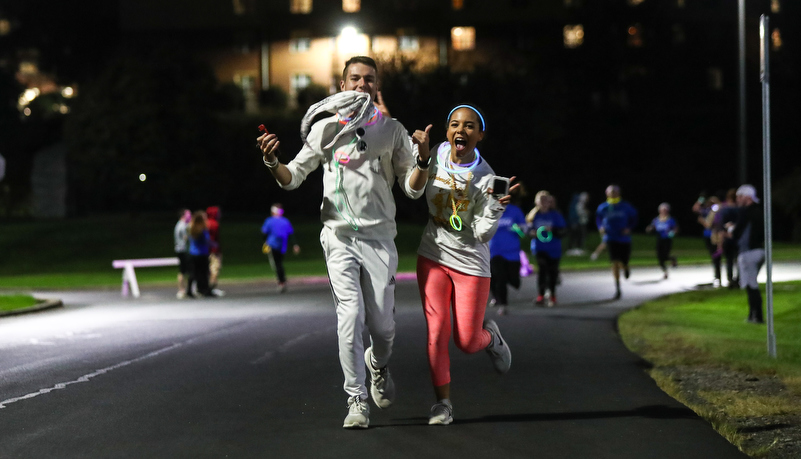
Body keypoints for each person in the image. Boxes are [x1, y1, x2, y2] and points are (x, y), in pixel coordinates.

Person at [256, 56, 429, 429]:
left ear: (376, 87)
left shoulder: (392, 129)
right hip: (338, 238)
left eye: (369, 80)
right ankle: (356, 399)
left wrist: (424, 161)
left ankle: (378, 365)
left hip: (380, 239)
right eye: (355, 79)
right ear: (342, 85)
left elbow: (412, 191)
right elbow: (292, 178)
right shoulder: (325, 129)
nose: (362, 85)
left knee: (383, 329)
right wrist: (272, 161)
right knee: (350, 317)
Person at [413, 103, 514, 426]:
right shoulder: (437, 154)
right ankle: (443, 405)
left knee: (467, 341)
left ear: (480, 135)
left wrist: (496, 207)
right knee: (436, 331)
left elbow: (483, 234)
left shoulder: (486, 177)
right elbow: (414, 184)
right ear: (447, 132)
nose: (461, 130)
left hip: (470, 261)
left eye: (470, 126)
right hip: (432, 254)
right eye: (455, 124)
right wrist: (421, 154)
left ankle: (492, 338)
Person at [488, 183, 528, 314]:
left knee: (514, 281)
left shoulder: (515, 211)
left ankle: (511, 283)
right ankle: (503, 305)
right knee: (499, 277)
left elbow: (524, 230)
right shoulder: (490, 210)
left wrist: (518, 229)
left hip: (512, 251)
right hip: (495, 251)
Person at [728, 184, 765, 324]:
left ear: (747, 197)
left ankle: (757, 317)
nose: (737, 199)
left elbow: (737, 233)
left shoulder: (747, 212)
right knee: (751, 284)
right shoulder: (759, 211)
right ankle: (752, 315)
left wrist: (730, 230)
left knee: (751, 286)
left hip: (749, 252)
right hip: (760, 251)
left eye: (739, 196)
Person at [595, 184, 638, 299]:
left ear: (619, 193)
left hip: (624, 238)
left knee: (623, 261)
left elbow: (634, 218)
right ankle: (618, 288)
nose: (613, 194)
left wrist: (629, 228)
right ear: (607, 194)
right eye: (610, 192)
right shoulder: (603, 207)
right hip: (610, 238)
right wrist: (600, 227)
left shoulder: (625, 206)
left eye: (615, 192)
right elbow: (598, 218)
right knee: (614, 262)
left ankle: (626, 267)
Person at [526, 191, 567, 307]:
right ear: (536, 202)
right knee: (543, 270)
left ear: (550, 202)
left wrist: (552, 230)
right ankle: (541, 295)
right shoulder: (533, 216)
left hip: (554, 248)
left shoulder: (555, 215)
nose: (544, 203)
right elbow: (527, 230)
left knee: (552, 272)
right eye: (541, 200)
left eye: (546, 200)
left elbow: (563, 232)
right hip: (540, 248)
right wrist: (532, 233)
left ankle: (553, 295)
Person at [261, 203, 300, 293]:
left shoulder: (269, 221)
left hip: (273, 245)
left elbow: (264, 233)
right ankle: (282, 280)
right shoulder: (285, 221)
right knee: (279, 263)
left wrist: (265, 242)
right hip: (283, 246)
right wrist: (295, 245)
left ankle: (281, 281)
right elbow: (291, 234)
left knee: (276, 264)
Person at [693, 194, 723, 287]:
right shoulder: (707, 211)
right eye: (710, 203)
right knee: (713, 256)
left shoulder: (717, 212)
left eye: (714, 203)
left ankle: (718, 277)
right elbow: (695, 209)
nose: (712, 205)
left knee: (716, 257)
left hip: (715, 237)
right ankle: (717, 276)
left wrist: (702, 221)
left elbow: (708, 224)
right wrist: (700, 200)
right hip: (707, 236)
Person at [645, 203, 679, 279]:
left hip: (667, 240)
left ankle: (672, 259)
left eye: (665, 210)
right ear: (659, 211)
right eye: (662, 210)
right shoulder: (656, 219)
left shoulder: (670, 219)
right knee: (659, 257)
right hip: (659, 239)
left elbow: (676, 228)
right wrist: (649, 229)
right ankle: (665, 272)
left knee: (665, 256)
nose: (663, 211)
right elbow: (652, 227)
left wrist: (673, 232)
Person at [187, 210, 215, 298]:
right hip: (202, 253)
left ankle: (189, 290)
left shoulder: (191, 228)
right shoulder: (203, 229)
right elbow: (207, 241)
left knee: (194, 273)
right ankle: (205, 290)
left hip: (193, 253)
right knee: (204, 272)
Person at [716, 188, 740, 289]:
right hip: (738, 237)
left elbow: (721, 227)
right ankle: (738, 279)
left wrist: (720, 243)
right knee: (738, 260)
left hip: (726, 238)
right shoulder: (740, 209)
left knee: (729, 260)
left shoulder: (724, 210)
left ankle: (730, 279)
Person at [206, 206, 224, 295]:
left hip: (206, 250)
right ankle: (211, 288)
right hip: (214, 250)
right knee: (214, 269)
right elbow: (215, 239)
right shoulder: (214, 224)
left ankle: (207, 287)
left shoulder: (205, 223)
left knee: (208, 270)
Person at [174, 208, 192, 299]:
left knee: (182, 270)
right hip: (184, 250)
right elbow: (186, 237)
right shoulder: (183, 226)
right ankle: (183, 290)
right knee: (185, 271)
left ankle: (182, 290)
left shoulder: (178, 225)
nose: (190, 216)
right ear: (183, 216)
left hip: (179, 249)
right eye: (188, 214)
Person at [566, 191, 589, 256]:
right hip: (576, 222)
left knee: (580, 236)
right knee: (575, 236)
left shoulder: (579, 204)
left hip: (579, 222)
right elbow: (576, 214)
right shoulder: (577, 204)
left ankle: (577, 249)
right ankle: (572, 249)